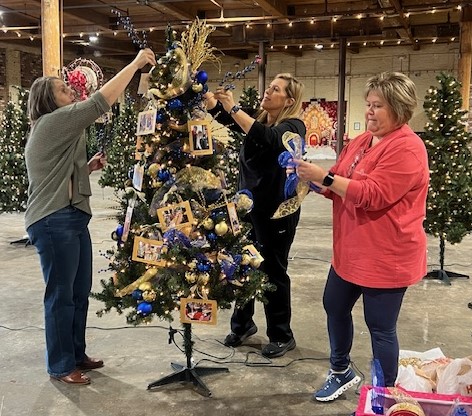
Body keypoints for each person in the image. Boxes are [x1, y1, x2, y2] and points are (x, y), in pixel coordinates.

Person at [291, 72, 429, 401]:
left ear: (400, 108)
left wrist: (323, 177)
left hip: (387, 256)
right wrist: (309, 179)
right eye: (368, 104)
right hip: (350, 249)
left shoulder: (408, 149)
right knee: (334, 305)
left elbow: (373, 194)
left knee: (380, 326)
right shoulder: (362, 142)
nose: (369, 111)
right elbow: (338, 180)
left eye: (377, 106)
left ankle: (383, 394)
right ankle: (341, 371)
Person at [25, 48, 156, 385]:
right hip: (54, 220)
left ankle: (75, 353)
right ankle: (60, 364)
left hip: (71, 217)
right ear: (49, 100)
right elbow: (102, 100)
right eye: (63, 89)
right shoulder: (55, 120)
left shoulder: (59, 127)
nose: (72, 91)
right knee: (60, 295)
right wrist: (135, 63)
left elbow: (57, 172)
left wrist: (88, 166)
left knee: (79, 292)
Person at [204, 73, 306, 358]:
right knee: (241, 265)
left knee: (273, 270)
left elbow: (269, 139)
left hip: (276, 213)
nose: (267, 92)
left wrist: (234, 107)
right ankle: (242, 324)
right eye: (268, 87)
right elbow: (233, 123)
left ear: (288, 100)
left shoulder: (292, 126)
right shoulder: (260, 122)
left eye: (275, 89)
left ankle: (281, 334)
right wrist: (215, 104)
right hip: (246, 209)